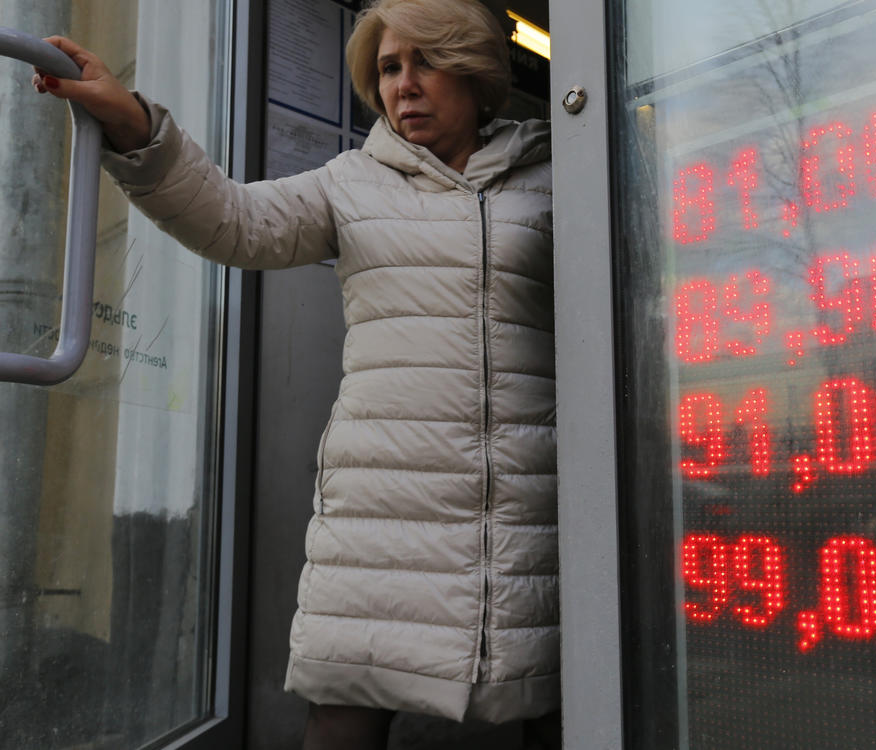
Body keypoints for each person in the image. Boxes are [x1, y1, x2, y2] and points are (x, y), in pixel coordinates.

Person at [33, 1, 560, 748]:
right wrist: (133, 123)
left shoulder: (552, 176)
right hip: (381, 508)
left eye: (426, 62)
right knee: (343, 711)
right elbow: (232, 220)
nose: (403, 86)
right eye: (387, 68)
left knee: (546, 707)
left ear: (474, 72)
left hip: (520, 505)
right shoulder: (353, 182)